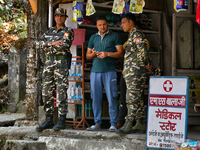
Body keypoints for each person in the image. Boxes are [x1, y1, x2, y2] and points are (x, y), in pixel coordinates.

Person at [35, 8, 74, 131]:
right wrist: (51, 44)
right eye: (57, 15)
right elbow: (38, 43)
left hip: (61, 64)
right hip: (49, 64)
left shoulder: (68, 31)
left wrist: (46, 46)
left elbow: (64, 44)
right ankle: (48, 120)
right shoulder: (49, 31)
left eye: (61, 16)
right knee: (46, 92)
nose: (59, 18)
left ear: (65, 18)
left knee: (61, 91)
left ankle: (62, 120)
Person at [86, 16, 123, 132]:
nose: (102, 27)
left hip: (109, 71)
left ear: (107, 24)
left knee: (112, 97)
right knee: (95, 98)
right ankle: (97, 124)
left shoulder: (114, 36)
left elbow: (120, 53)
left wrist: (107, 54)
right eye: (100, 25)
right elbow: (87, 56)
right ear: (96, 26)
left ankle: (113, 124)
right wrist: (93, 54)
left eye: (104, 24)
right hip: (95, 71)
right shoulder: (93, 37)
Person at [116, 13, 150, 134]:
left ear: (131, 22)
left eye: (123, 22)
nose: (122, 25)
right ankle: (140, 123)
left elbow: (143, 52)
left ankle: (129, 123)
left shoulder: (137, 34)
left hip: (136, 72)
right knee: (138, 99)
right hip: (130, 72)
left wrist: (147, 64)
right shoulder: (131, 35)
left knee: (131, 98)